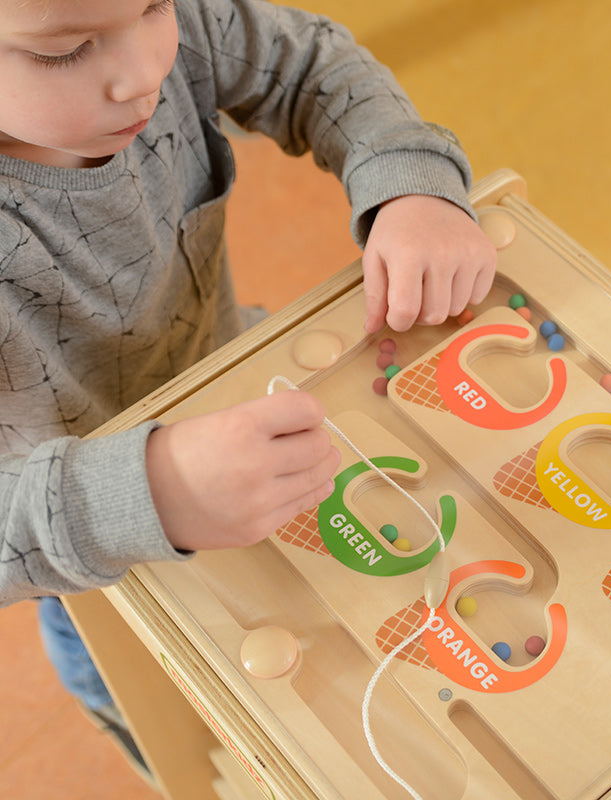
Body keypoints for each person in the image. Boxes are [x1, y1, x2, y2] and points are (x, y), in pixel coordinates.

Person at [0, 0, 496, 774]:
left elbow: (311, 65)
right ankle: (115, 708)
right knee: (124, 666)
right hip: (87, 544)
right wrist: (147, 493)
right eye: (65, 51)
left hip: (228, 398)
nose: (143, 75)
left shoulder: (168, 34)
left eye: (155, 5)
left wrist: (411, 185)